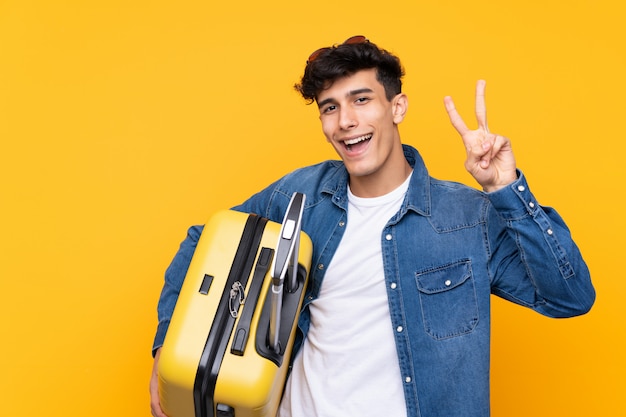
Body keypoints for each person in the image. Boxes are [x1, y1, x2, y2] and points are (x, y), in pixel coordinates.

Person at [149, 36, 595, 417]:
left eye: (361, 100)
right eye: (330, 107)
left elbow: (570, 297)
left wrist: (507, 190)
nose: (346, 121)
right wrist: (166, 350)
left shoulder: (468, 216)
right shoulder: (300, 196)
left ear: (396, 106)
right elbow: (202, 241)